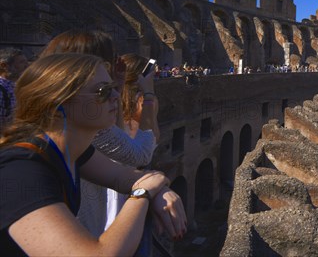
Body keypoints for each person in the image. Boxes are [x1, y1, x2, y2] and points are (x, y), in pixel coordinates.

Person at [0, 53, 186, 256]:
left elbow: (121, 176)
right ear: (58, 104)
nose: (116, 95)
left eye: (113, 87)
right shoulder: (22, 170)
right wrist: (143, 195)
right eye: (102, 91)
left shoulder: (71, 150)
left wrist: (159, 189)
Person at [40, 30, 158, 238]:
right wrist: (148, 95)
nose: (115, 96)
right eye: (102, 89)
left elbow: (120, 159)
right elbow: (138, 156)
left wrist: (115, 89)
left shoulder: (76, 146)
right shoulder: (31, 161)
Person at [105, 53, 160, 232]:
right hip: (129, 177)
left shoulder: (110, 100)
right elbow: (152, 141)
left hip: (107, 175)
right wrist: (149, 95)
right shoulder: (144, 100)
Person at [0, 48, 28, 129]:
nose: (27, 66)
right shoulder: (1, 90)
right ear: (4, 66)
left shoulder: (17, 87)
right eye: (21, 62)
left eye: (26, 62)